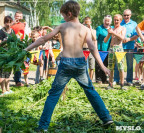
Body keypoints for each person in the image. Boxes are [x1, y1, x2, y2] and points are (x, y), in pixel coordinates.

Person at [25, 1, 113, 131]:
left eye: (64, 15)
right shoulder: (85, 29)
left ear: (69, 14)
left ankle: (42, 126)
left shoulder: (63, 26)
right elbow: (93, 48)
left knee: (54, 94)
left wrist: (26, 49)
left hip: (66, 63)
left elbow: (43, 39)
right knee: (90, 90)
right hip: (80, 63)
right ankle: (106, 118)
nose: (63, 18)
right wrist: (103, 66)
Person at [114, 9, 138, 86]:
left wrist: (129, 39)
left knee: (130, 64)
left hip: (130, 47)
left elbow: (137, 35)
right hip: (120, 47)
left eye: (128, 15)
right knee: (118, 64)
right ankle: (116, 80)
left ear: (130, 15)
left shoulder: (134, 24)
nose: (126, 17)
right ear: (123, 16)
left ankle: (129, 80)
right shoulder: (120, 22)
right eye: (125, 15)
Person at [104, 14, 127, 90]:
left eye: (117, 20)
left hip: (119, 49)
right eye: (115, 20)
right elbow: (105, 40)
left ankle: (122, 84)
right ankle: (110, 84)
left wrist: (113, 33)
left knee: (121, 67)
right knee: (110, 67)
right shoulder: (111, 29)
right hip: (111, 49)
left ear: (120, 20)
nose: (116, 21)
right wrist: (109, 34)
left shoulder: (122, 28)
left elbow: (122, 38)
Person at [0, 16, 15, 94]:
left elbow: (15, 42)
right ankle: (3, 90)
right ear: (4, 23)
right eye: (7, 22)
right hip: (3, 55)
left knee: (8, 72)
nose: (8, 24)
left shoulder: (12, 31)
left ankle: (8, 88)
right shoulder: (1, 32)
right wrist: (5, 42)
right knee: (2, 73)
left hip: (10, 54)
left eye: (10, 22)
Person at [10, 10, 26, 87]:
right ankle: (9, 79)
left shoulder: (24, 24)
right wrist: (12, 23)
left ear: (22, 17)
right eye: (17, 16)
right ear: (15, 17)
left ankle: (18, 81)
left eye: (20, 16)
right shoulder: (11, 24)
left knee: (19, 63)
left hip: (21, 45)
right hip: (12, 45)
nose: (18, 18)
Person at [95, 15, 112, 84]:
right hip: (100, 49)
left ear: (110, 22)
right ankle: (98, 79)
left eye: (108, 21)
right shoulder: (99, 28)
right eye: (106, 20)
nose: (107, 22)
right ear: (103, 21)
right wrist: (95, 48)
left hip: (108, 49)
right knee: (99, 64)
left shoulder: (111, 29)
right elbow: (95, 38)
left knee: (105, 64)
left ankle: (104, 79)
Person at [83, 16, 97, 81]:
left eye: (88, 23)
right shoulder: (82, 30)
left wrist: (90, 29)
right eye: (86, 23)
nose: (87, 24)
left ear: (90, 22)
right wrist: (83, 26)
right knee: (83, 65)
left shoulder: (93, 30)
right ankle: (84, 79)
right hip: (83, 49)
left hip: (90, 50)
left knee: (91, 66)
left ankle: (90, 80)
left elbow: (94, 38)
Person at [136, 20, 144, 89]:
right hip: (141, 48)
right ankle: (143, 82)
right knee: (140, 64)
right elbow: (137, 27)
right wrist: (142, 37)